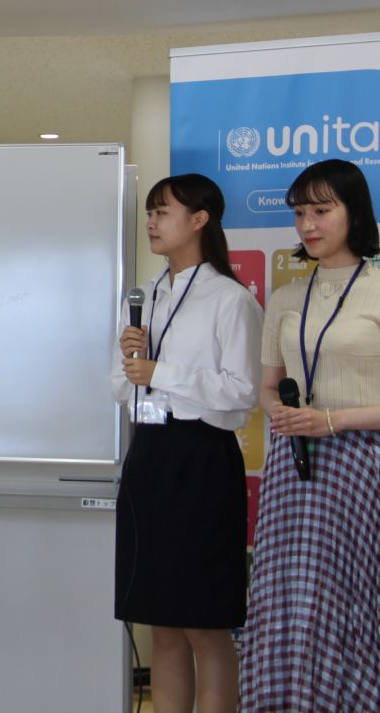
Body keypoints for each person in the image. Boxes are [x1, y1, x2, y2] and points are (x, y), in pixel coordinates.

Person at [111, 174, 262, 713]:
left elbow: (242, 393)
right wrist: (133, 366)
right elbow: (117, 385)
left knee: (204, 623)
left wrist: (161, 370)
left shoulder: (230, 298)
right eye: (149, 213)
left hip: (201, 460)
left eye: (162, 212)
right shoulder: (144, 295)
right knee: (162, 623)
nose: (151, 222)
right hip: (148, 456)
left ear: (199, 220)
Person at [240, 159, 380, 711]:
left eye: (322, 211)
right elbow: (268, 387)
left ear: (354, 211)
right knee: (289, 600)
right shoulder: (286, 298)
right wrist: (282, 413)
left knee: (354, 598)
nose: (308, 225)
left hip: (363, 464)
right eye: (300, 213)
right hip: (294, 467)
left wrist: (331, 421)